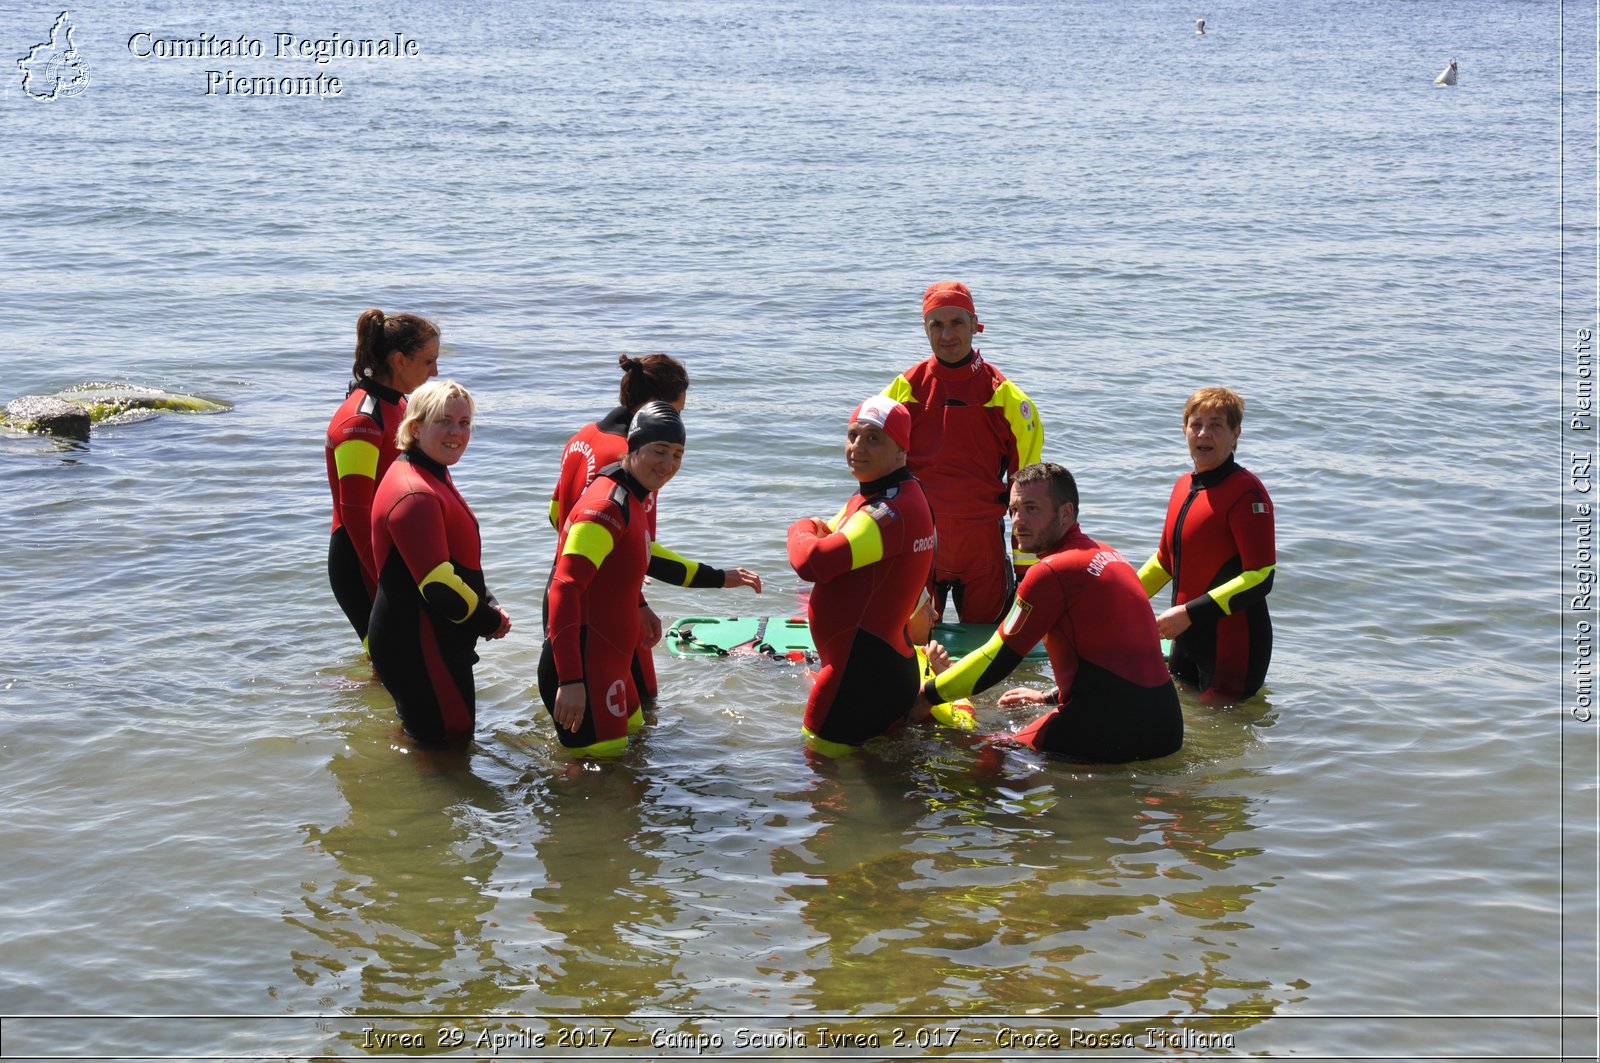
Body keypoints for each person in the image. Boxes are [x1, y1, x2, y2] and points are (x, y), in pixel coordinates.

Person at [913, 463, 1182, 763]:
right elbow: (1116, 661)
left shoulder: (1050, 572)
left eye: (1031, 509)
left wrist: (928, 695)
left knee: (988, 751)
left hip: (1115, 730)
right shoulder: (1110, 555)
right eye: (1013, 510)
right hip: (1168, 727)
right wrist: (1048, 697)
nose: (1018, 521)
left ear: (1065, 513)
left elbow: (996, 658)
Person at [549, 355, 761, 710]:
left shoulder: (582, 437)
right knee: (641, 707)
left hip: (574, 599)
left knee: (609, 718)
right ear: (654, 409)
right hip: (599, 606)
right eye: (677, 410)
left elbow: (558, 515)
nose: (668, 462)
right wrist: (638, 600)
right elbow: (633, 544)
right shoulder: (634, 460)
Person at [883, 280, 1043, 624]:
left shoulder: (1009, 400)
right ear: (924, 329)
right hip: (920, 541)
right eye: (936, 325)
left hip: (981, 546)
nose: (947, 335)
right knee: (913, 648)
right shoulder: (903, 391)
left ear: (974, 324)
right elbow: (874, 475)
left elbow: (1028, 495)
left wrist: (1028, 570)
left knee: (988, 651)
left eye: (956, 322)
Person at [540, 402, 690, 757]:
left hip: (610, 665)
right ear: (633, 448)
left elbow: (637, 558)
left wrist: (721, 578)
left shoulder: (632, 493)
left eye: (678, 454)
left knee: (634, 761)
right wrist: (571, 681)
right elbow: (564, 588)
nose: (668, 465)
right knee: (603, 792)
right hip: (586, 670)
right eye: (659, 451)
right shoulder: (606, 507)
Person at [787, 396, 936, 754]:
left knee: (816, 781)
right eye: (853, 435)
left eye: (873, 438)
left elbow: (813, 561)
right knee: (883, 781)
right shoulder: (898, 494)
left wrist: (799, 526)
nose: (857, 447)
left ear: (902, 449)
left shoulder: (888, 512)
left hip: (854, 678)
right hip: (883, 668)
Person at [368, 380, 512, 746]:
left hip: (429, 635)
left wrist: (488, 599)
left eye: (464, 423)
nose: (457, 432)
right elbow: (438, 586)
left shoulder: (430, 472)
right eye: (444, 421)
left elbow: (449, 560)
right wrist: (489, 619)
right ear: (415, 428)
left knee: (427, 735)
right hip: (420, 643)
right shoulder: (415, 492)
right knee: (449, 745)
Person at [1138, 386, 1275, 704]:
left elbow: (1261, 576)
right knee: (1187, 722)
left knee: (1222, 738)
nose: (1204, 433)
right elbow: (1164, 562)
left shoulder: (1247, 493)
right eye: (1196, 424)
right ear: (1184, 429)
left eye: (1216, 425)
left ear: (1235, 433)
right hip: (1184, 638)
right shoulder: (1183, 485)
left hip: (1233, 644)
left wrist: (1188, 612)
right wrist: (1125, 600)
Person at [325, 308, 440, 650]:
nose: (436, 371)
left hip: (393, 553)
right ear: (400, 360)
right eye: (428, 361)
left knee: (400, 663)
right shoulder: (361, 425)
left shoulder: (399, 403)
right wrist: (384, 581)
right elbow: (356, 515)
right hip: (362, 561)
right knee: (391, 660)